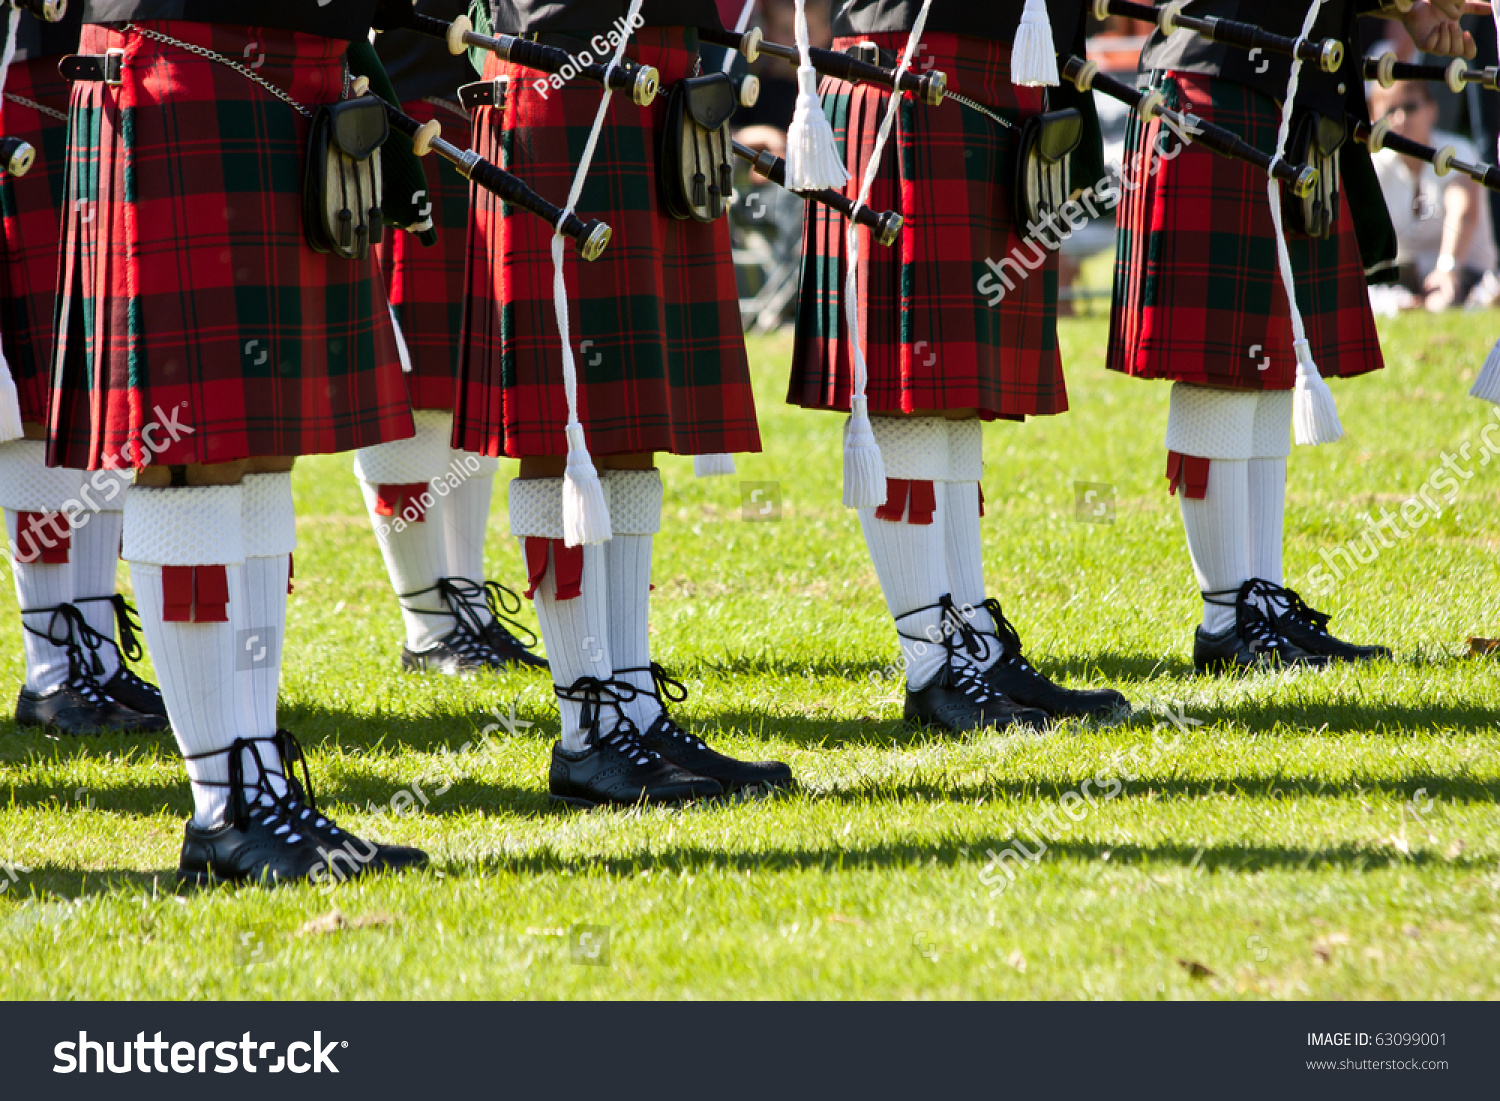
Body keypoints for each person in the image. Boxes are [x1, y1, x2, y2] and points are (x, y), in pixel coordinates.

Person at [47, 0, 426, 884]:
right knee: (194, 456)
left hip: (296, 57)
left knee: (264, 442)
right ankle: (221, 804)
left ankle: (258, 777)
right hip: (183, 47)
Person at [456, 0, 794, 805]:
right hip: (564, 62)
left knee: (629, 421)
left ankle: (632, 705)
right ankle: (587, 730)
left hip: (662, 63)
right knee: (561, 419)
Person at [788, 0, 1130, 733]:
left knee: (952, 388)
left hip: (996, 65)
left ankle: (971, 635)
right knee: (914, 380)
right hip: (908, 64)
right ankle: (932, 665)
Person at [1107, 0, 1478, 673]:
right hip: (1212, 79)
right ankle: (1227, 619)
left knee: (1273, 357)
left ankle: (1260, 599)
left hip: (1292, 90)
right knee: (1220, 363)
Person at [361, 0, 547, 676]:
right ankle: (425, 621)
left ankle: (463, 600)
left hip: (480, 120)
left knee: (470, 381)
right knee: (415, 387)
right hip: (396, 121)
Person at [0, 4, 165, 735]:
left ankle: (92, 654)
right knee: (36, 397)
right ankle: (53, 669)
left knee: (91, 383)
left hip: (109, 56)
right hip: (23, 65)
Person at [1368, 78, 1496, 310]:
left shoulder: (1457, 152)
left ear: (1431, 110)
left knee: (1442, 303)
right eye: (1390, 111)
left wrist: (1447, 269)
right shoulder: (1375, 166)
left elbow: (1463, 212)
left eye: (1410, 107)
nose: (1401, 119)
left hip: (1467, 272)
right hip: (1406, 277)